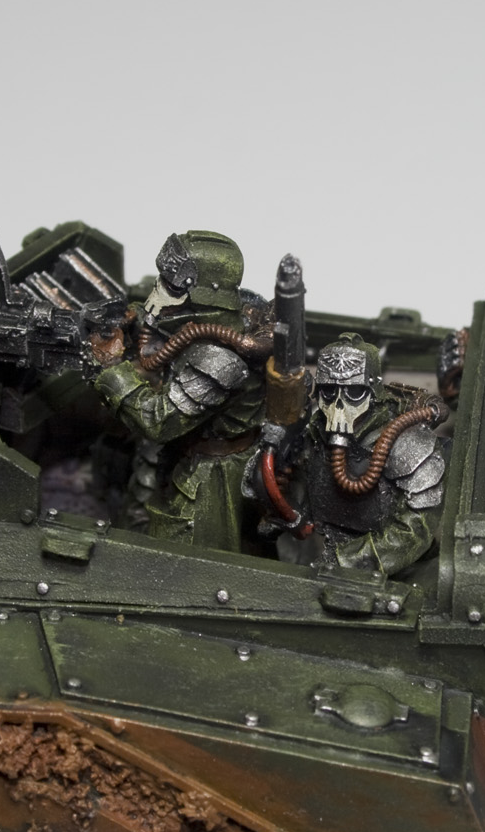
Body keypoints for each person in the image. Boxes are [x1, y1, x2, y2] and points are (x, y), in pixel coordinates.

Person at [89, 231, 270, 551]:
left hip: (209, 478)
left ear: (204, 294)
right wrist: (134, 319)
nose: (159, 290)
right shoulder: (213, 316)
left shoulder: (219, 360)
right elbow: (171, 322)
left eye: (172, 286)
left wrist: (111, 368)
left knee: (178, 554)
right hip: (186, 451)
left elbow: (157, 422)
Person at [248, 333, 447, 582]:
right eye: (329, 392)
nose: (338, 406)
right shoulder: (316, 427)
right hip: (324, 543)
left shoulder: (408, 442)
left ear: (373, 393)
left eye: (353, 392)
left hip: (397, 567)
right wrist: (288, 514)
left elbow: (415, 530)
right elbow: (305, 476)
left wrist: (346, 561)